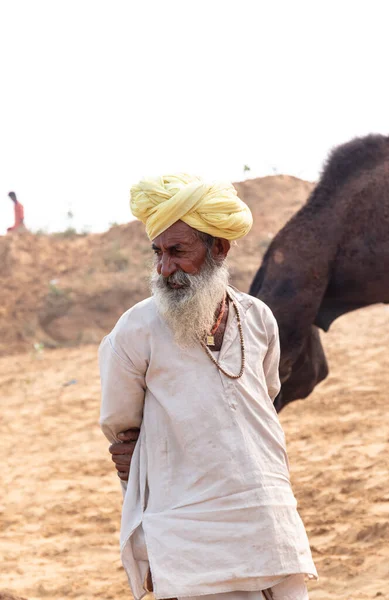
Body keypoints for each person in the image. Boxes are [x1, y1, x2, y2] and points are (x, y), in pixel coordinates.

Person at [99, 173, 317, 600]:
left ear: (219, 247)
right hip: (191, 534)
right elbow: (122, 431)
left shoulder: (257, 319)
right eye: (158, 253)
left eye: (178, 252)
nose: (164, 268)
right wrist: (148, 538)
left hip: (270, 520)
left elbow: (264, 402)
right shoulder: (134, 331)